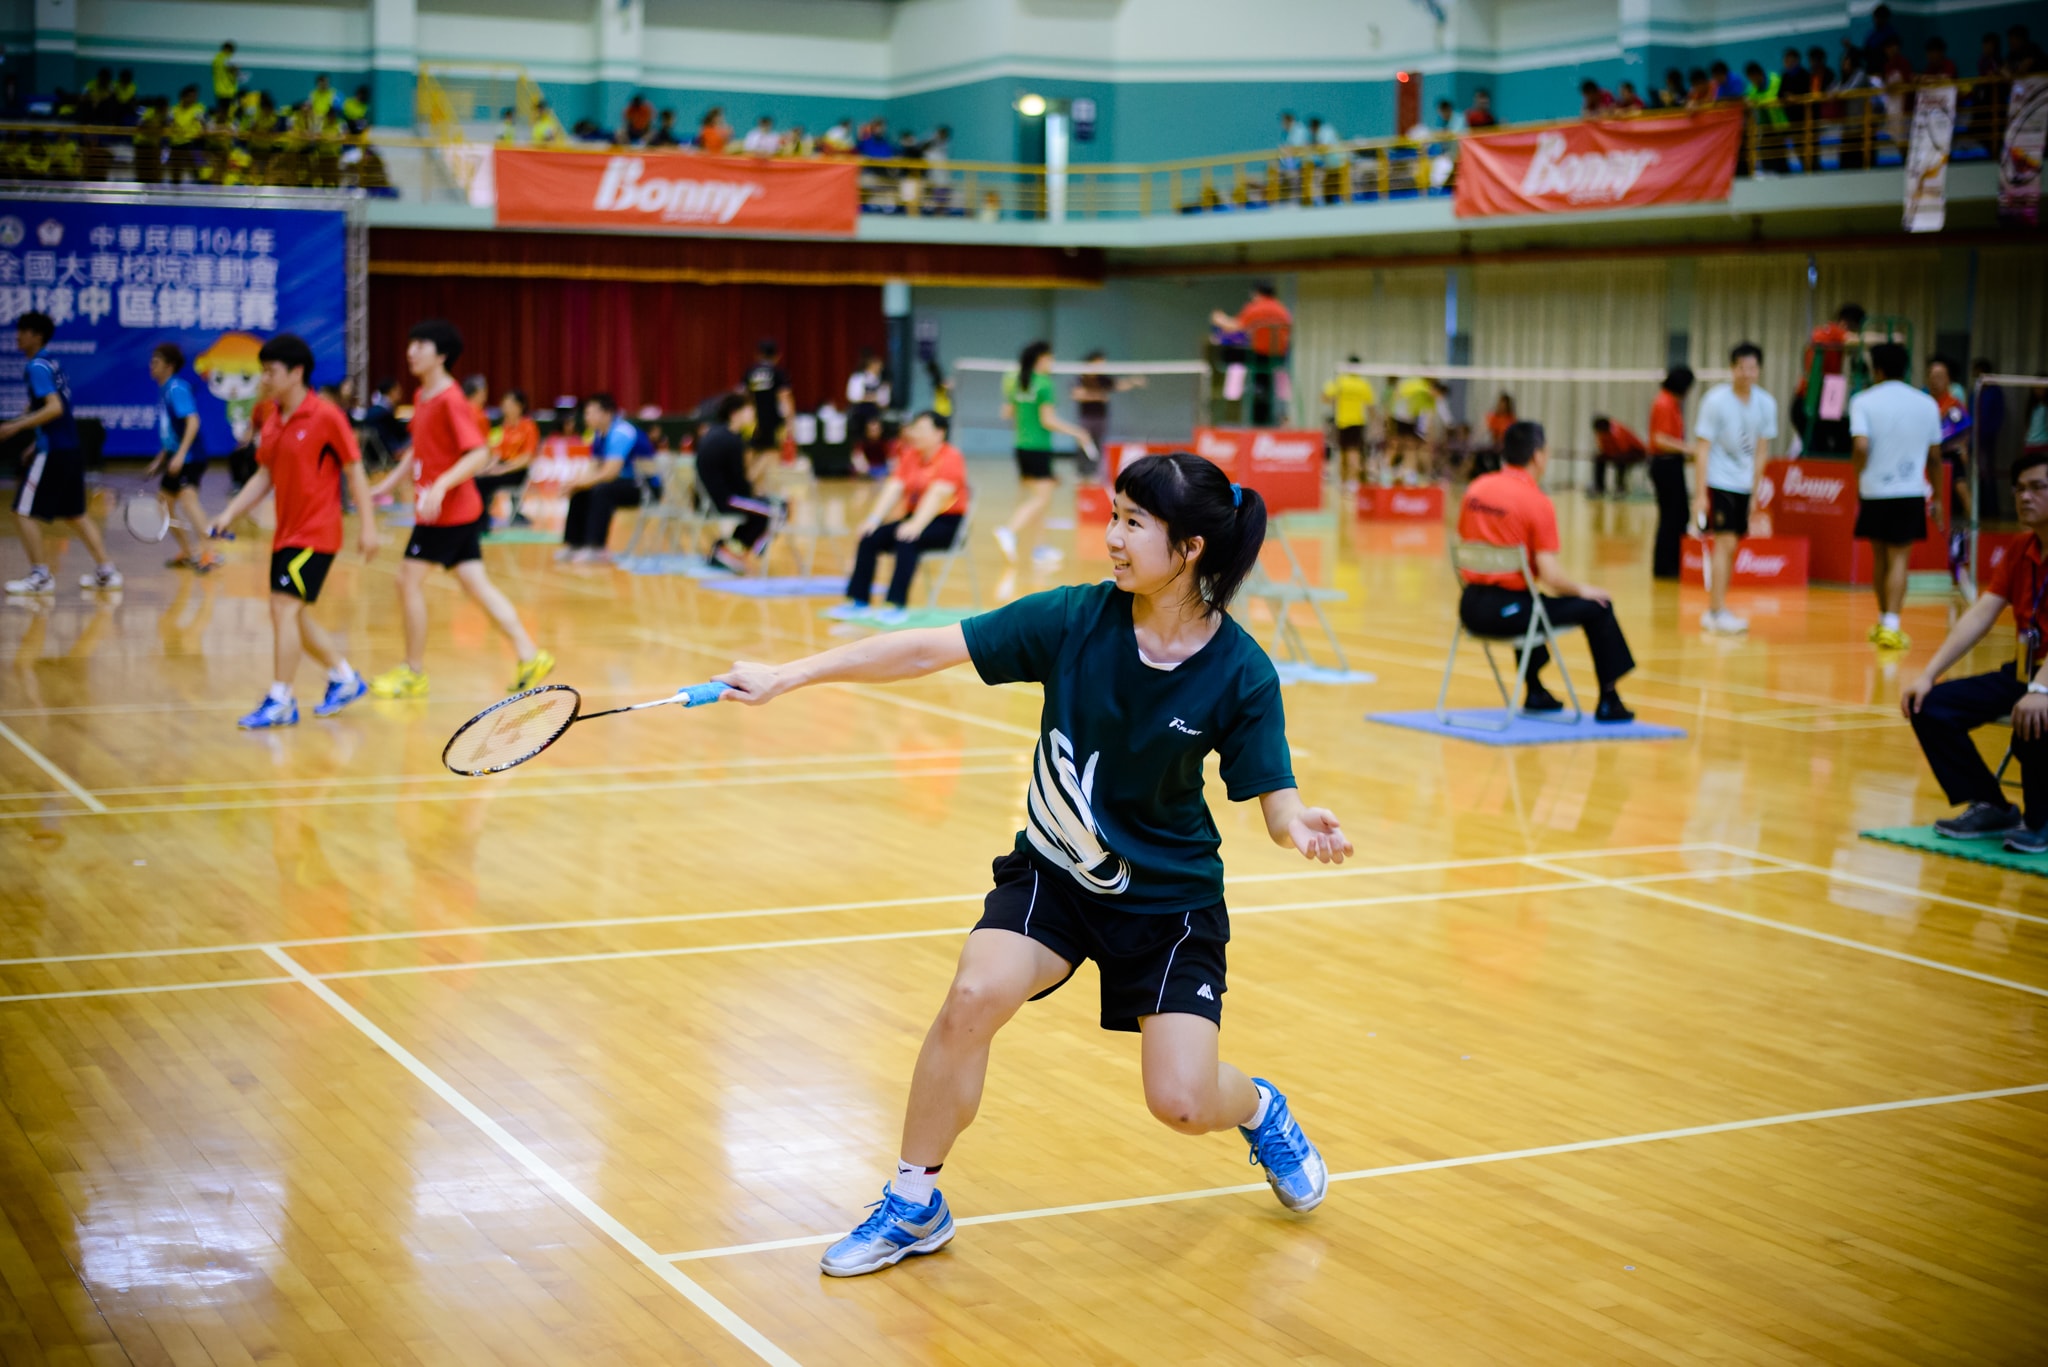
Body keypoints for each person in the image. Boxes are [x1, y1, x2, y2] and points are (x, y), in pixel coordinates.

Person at [714, 452, 1350, 1277]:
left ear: (1190, 548)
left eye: (1133, 523)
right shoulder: (1074, 618)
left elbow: (1274, 800)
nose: (1111, 537)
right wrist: (787, 675)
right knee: (972, 995)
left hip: (1169, 903)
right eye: (1113, 515)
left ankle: (1260, 1108)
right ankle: (914, 1201)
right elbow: (928, 649)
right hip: (1054, 873)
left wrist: (1299, 823)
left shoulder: (1241, 671)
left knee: (1183, 1102)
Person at [363, 321, 552, 700]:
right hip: (456, 511)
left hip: (447, 513)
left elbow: (479, 453)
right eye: (410, 344)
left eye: (421, 345)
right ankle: (530, 654)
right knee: (476, 584)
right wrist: (387, 484)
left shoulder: (451, 399)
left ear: (442, 355)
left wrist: (441, 485)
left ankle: (413, 672)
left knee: (407, 581)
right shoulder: (423, 395)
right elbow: (418, 449)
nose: (411, 351)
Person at [205, 334, 378, 728]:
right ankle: (344, 677)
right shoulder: (272, 418)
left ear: (297, 373)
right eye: (263, 372)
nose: (264, 379)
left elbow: (354, 470)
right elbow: (264, 475)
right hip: (286, 532)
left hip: (316, 533)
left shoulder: (326, 416)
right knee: (291, 615)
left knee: (284, 608)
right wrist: (229, 513)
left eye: (271, 371)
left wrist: (368, 527)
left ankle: (281, 698)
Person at [1901, 451, 2048, 853]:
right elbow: (1981, 614)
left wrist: (2041, 689)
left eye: (2037, 487)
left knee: (2036, 717)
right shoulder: (2020, 549)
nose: (2025, 497)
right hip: (2025, 671)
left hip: (2043, 683)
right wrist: (1928, 674)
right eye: (2019, 489)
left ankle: (2041, 821)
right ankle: (1991, 805)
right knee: (1929, 706)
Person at [1457, 421, 1637, 722]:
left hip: (1470, 608)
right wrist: (1583, 590)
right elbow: (1552, 578)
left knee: (1530, 600)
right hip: (1509, 615)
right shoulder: (1536, 502)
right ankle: (1609, 699)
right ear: (1538, 456)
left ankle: (1535, 690)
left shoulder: (1475, 489)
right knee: (1599, 606)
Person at [3, 312, 120, 595]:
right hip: (68, 447)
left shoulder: (36, 366)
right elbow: (54, 409)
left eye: (23, 331)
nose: (18, 337)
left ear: (37, 336)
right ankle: (107, 572)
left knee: (22, 511)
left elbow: (54, 408)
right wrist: (34, 442)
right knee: (75, 514)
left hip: (55, 451)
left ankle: (40, 576)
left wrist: (16, 426)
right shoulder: (51, 364)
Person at [828, 411, 970, 623]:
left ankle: (896, 605)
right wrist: (873, 520)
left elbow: (939, 494)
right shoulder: (910, 455)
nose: (915, 434)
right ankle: (859, 601)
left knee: (907, 538)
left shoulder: (951, 457)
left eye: (922, 429)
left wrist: (917, 524)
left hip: (947, 524)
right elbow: (894, 487)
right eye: (915, 429)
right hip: (913, 517)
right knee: (870, 537)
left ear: (939, 433)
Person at [1849, 343, 1941, 653]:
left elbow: (1860, 447)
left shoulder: (1862, 401)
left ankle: (1883, 621)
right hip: (1910, 491)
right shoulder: (1927, 404)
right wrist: (1939, 498)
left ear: (1876, 369)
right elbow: (1935, 457)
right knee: (1899, 559)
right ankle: (1891, 625)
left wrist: (1859, 475)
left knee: (1880, 558)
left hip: (1874, 490)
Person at [1693, 341, 1778, 635]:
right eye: (1741, 367)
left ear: (1759, 370)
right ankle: (1715, 611)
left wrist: (1755, 491)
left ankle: (1719, 608)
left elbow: (1762, 451)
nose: (1747, 373)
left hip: (1744, 485)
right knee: (1725, 544)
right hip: (1720, 482)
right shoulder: (1715, 401)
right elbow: (1702, 448)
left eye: (1752, 368)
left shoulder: (1766, 404)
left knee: (1732, 547)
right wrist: (1700, 494)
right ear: (1732, 368)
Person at [996, 340, 1096, 569]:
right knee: (1040, 499)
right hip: (1039, 448)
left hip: (1021, 446)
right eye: (1051, 358)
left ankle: (1040, 549)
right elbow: (1048, 420)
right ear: (1041, 358)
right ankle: (1009, 531)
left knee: (1035, 500)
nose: (1053, 362)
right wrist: (1077, 432)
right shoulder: (1044, 384)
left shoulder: (1016, 381)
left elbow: (1007, 413)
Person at [146, 343, 221, 574]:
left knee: (188, 501)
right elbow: (171, 431)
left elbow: (192, 422)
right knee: (163, 506)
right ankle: (188, 552)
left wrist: (179, 455)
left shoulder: (177, 388)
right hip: (176, 457)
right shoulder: (165, 389)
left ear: (169, 366)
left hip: (190, 457)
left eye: (156, 362)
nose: (151, 366)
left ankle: (209, 553)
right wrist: (161, 457)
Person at [695, 393, 784, 573]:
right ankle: (737, 551)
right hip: (725, 500)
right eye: (749, 410)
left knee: (766, 507)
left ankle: (728, 549)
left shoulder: (715, 433)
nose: (753, 415)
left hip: (708, 500)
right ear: (735, 414)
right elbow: (740, 483)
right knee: (778, 510)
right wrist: (760, 472)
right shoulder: (732, 440)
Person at [559, 391, 649, 563]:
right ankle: (575, 544)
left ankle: (596, 548)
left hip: (644, 488)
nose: (586, 417)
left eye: (591, 413)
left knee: (601, 490)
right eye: (586, 413)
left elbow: (610, 472)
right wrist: (575, 484)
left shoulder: (622, 432)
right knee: (581, 491)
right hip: (621, 484)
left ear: (607, 413)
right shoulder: (598, 435)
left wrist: (582, 483)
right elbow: (592, 469)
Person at [1209, 284, 1291, 427]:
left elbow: (1234, 327)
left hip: (1259, 356)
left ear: (1257, 293)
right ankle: (1260, 395)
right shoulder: (1282, 310)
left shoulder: (1255, 308)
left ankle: (1232, 393)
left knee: (1228, 353)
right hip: (1280, 358)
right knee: (1262, 380)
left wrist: (1219, 319)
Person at [1648, 366, 1695, 579]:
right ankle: (1666, 566)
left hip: (1671, 463)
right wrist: (1689, 449)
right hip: (1665, 465)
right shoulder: (1664, 403)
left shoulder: (1670, 403)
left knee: (1678, 514)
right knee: (1672, 516)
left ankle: (1673, 562)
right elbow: (1660, 439)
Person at [1072, 350, 1145, 483]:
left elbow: (1119, 385)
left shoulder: (1103, 379)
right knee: (1084, 444)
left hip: (1101, 418)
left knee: (1098, 445)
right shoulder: (1082, 377)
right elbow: (1077, 394)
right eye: (1100, 362)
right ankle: (1081, 473)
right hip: (1086, 418)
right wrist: (1098, 396)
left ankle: (1095, 474)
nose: (1103, 365)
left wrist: (1133, 381)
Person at [473, 387, 539, 528]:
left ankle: (482, 524)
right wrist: (487, 469)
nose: (505, 408)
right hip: (502, 468)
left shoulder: (528, 427)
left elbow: (527, 458)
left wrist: (503, 469)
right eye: (504, 404)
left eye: (509, 404)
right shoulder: (502, 428)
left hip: (517, 471)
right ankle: (479, 519)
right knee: (478, 478)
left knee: (483, 483)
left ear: (519, 406)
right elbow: (496, 454)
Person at [1322, 358, 1376, 488]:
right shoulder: (1363, 384)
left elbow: (1325, 398)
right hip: (1357, 423)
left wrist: (1337, 400)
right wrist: (1375, 422)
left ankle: (1343, 483)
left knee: (1343, 454)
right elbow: (1370, 407)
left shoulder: (1339, 382)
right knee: (1354, 453)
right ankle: (1352, 483)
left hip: (1341, 422)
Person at [742, 338, 794, 458]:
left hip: (753, 422)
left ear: (758, 354)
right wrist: (790, 423)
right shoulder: (778, 372)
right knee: (772, 453)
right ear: (777, 356)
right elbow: (784, 397)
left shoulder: (750, 371)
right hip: (773, 421)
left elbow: (743, 396)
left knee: (752, 452)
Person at [846, 350, 891, 476]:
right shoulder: (858, 378)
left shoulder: (882, 381)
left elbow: (884, 400)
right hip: (860, 416)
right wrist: (872, 398)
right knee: (859, 444)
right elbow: (853, 396)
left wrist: (873, 399)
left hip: (875, 413)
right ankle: (862, 469)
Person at [1589, 415, 1646, 498]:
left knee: (1621, 460)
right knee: (1599, 458)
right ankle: (1600, 487)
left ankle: (1620, 487)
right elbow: (1604, 450)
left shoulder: (1617, 431)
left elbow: (1624, 449)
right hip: (1618, 452)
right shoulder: (1602, 434)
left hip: (1636, 452)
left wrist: (1614, 455)